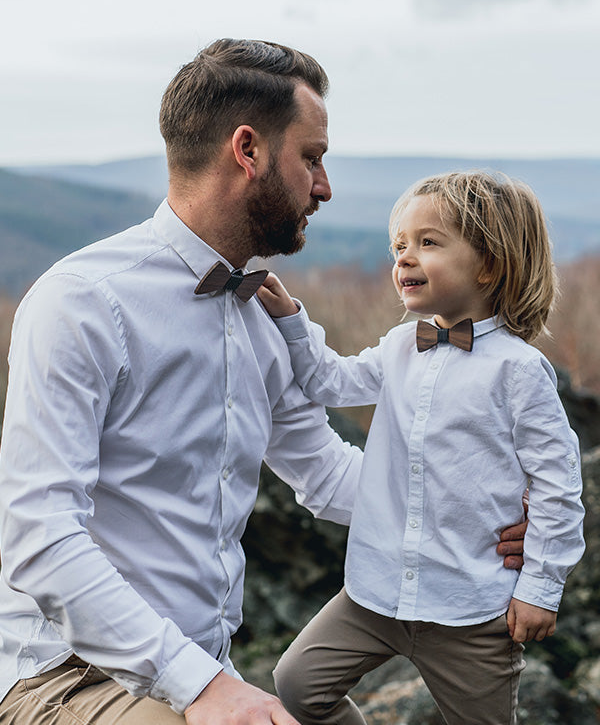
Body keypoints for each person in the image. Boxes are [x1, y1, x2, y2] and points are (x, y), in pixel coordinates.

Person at [0, 41, 526, 725]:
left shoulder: (261, 318)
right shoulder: (83, 302)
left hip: (200, 672)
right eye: (311, 157)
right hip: (66, 676)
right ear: (247, 150)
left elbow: (328, 473)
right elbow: (39, 534)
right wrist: (206, 688)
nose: (326, 186)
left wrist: (479, 515)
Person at [258, 170, 586, 725]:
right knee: (296, 686)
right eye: (399, 246)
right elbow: (331, 383)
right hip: (376, 593)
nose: (404, 259)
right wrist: (292, 322)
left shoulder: (521, 370)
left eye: (428, 243)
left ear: (490, 263)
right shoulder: (399, 346)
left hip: (470, 609)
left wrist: (540, 587)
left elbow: (559, 484)